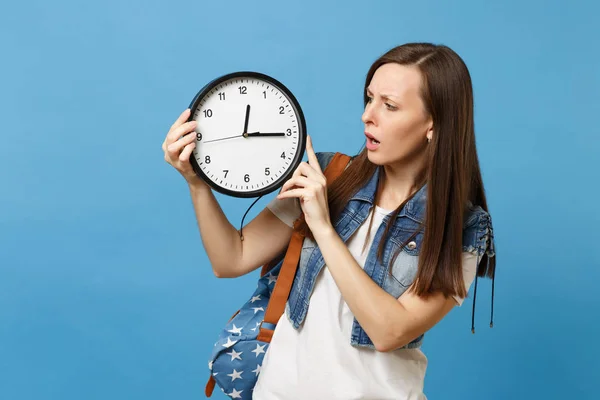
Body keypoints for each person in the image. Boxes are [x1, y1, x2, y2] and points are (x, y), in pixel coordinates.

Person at [162, 42, 496, 400]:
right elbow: (231, 259)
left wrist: (322, 228)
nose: (368, 115)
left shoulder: (462, 228)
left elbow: (389, 332)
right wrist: (196, 182)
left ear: (434, 123)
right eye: (369, 98)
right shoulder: (328, 176)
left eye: (390, 106)